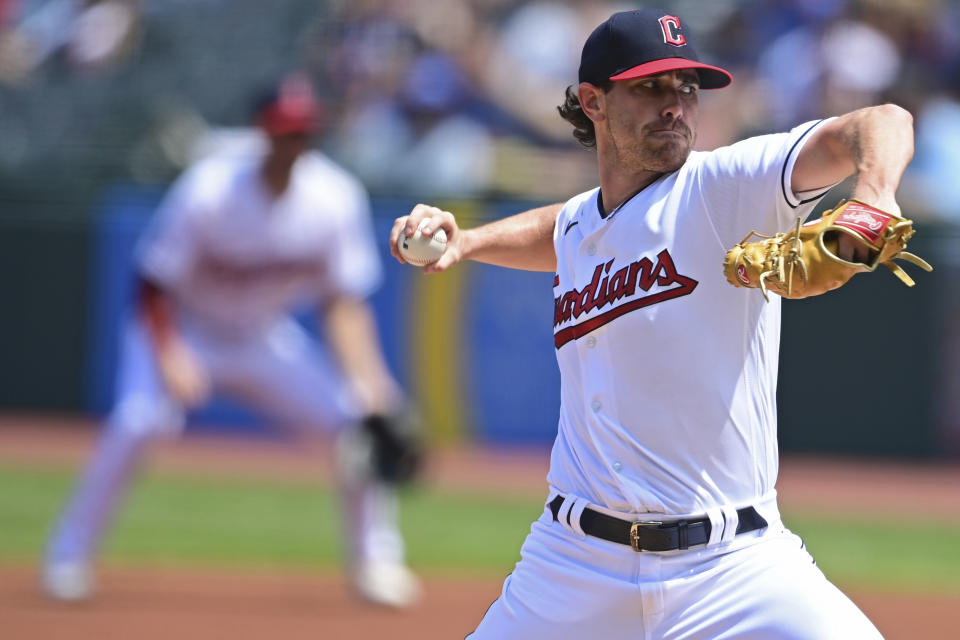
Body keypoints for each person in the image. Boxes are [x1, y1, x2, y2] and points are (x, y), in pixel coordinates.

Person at [390, 9, 912, 638]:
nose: (674, 105)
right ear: (594, 102)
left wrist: (874, 193)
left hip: (734, 567)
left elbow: (882, 121)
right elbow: (560, 229)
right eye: (650, 87)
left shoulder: (725, 185)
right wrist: (467, 242)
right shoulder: (584, 223)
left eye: (686, 88)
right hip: (572, 565)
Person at [44, 73, 422, 609]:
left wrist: (374, 385)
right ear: (259, 132)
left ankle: (376, 563)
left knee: (356, 423)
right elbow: (153, 282)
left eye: (303, 132)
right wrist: (171, 355)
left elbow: (343, 303)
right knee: (137, 420)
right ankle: (69, 553)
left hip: (260, 337)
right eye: (284, 131)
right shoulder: (210, 189)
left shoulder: (334, 197)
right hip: (184, 327)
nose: (294, 144)